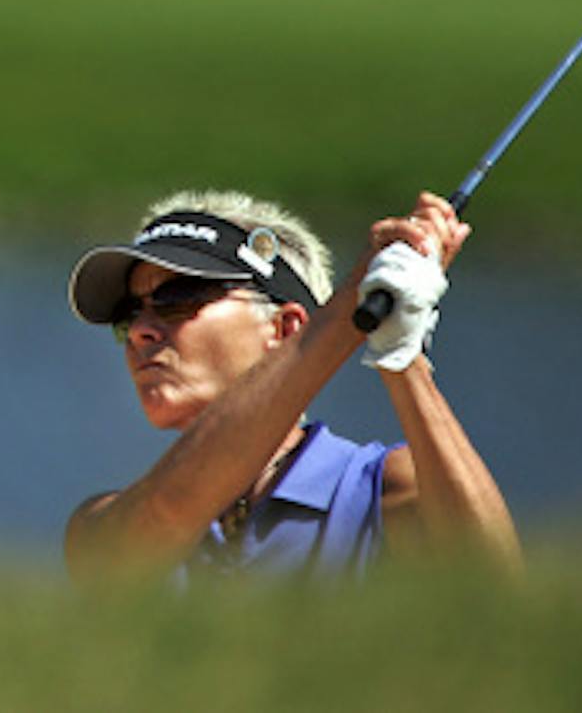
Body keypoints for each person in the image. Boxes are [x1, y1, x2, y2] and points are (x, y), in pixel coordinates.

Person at [63, 188, 522, 581]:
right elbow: (170, 510)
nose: (141, 331)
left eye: (177, 298)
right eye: (129, 316)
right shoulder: (100, 525)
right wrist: (350, 309)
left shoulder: (385, 487)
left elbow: (494, 585)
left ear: (284, 329)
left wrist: (400, 352)